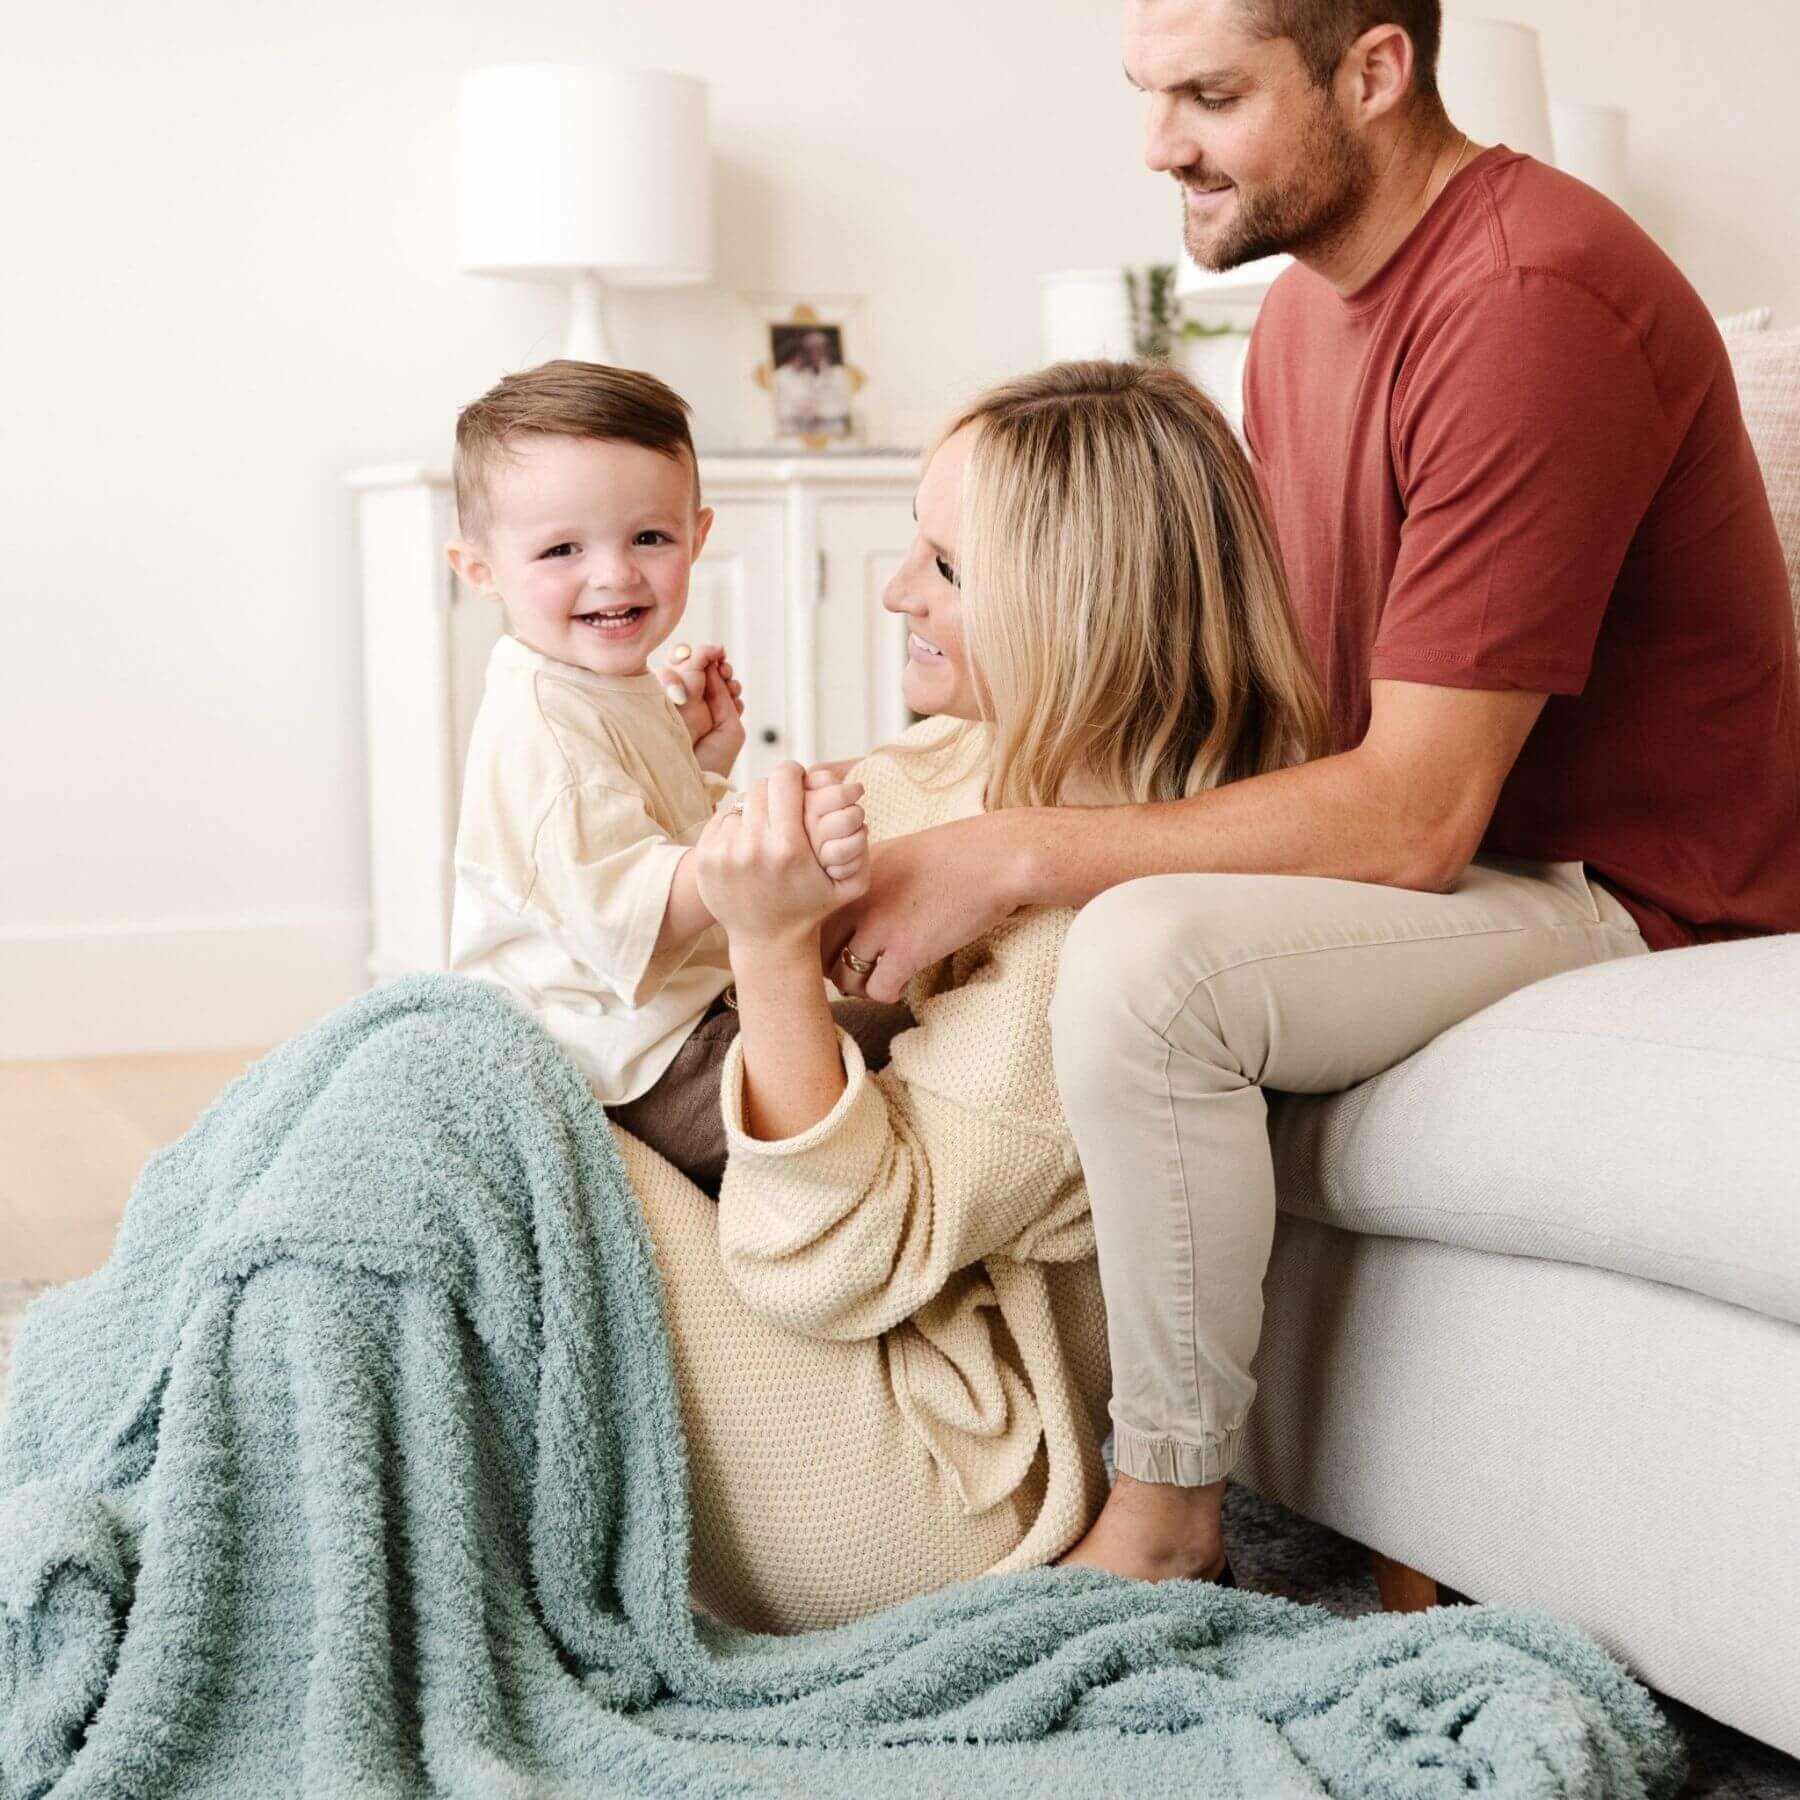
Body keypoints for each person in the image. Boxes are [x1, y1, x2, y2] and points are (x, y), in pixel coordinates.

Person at [822, 0, 1800, 1587]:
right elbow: (1295, 714)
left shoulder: (1529, 299)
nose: (1160, 146)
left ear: (1375, 71)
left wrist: (1011, 852)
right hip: (1474, 862)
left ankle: (1166, 1517)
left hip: (1629, 893)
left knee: (1151, 963)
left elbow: (1416, 817)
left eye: (1211, 96)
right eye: (1150, 95)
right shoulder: (1297, 319)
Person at [605, 358, 1320, 1632]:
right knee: (431, 1093)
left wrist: (773, 953)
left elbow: (828, 1269)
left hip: (920, 1473)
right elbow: (699, 928)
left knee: (460, 1099)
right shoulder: (964, 756)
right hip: (848, 1378)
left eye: (944, 566)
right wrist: (693, 780)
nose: (897, 592)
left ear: (1076, 605)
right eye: (910, 546)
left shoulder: (1098, 939)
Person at [442, 360, 900, 1193]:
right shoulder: (543, 728)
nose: (615, 574)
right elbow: (629, 918)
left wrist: (698, 764)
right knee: (893, 1058)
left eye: (648, 538)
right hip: (621, 1061)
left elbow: (642, 826)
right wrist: (767, 853)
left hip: (673, 1014)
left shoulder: (600, 684)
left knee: (896, 1020)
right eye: (562, 549)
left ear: (698, 534)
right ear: (480, 570)